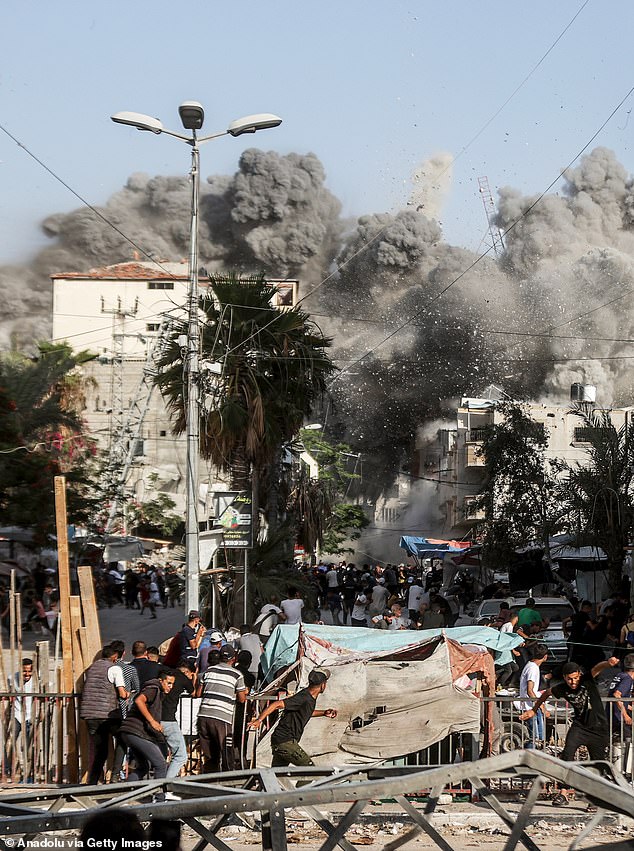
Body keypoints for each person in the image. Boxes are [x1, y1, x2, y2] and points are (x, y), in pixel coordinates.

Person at [520, 656, 621, 762]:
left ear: (579, 675)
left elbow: (596, 668)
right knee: (567, 755)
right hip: (580, 727)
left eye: (575, 678)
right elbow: (547, 693)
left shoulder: (586, 680)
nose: (573, 682)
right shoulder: (562, 688)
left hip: (598, 727)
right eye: (569, 679)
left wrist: (607, 664)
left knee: (599, 762)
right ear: (564, 677)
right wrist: (534, 710)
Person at [248, 669, 337, 767]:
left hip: (281, 740)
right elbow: (277, 704)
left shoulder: (308, 697)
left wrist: (324, 713)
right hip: (285, 741)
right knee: (309, 769)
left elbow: (306, 712)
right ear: (322, 685)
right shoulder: (304, 697)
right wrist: (259, 720)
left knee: (277, 774)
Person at [119, 669, 175, 798]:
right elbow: (139, 701)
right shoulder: (153, 688)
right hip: (135, 732)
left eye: (172, 684)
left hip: (129, 732)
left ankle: (123, 795)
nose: (170, 687)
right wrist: (153, 721)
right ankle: (160, 800)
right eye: (169, 683)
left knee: (143, 766)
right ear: (161, 681)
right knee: (160, 764)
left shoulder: (156, 691)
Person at [79, 644, 128, 785]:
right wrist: (127, 694)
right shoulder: (114, 669)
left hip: (89, 715)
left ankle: (92, 781)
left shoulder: (91, 668)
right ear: (114, 657)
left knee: (100, 751)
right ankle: (115, 775)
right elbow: (122, 693)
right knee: (123, 739)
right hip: (108, 715)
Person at [197, 645, 248, 772]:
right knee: (226, 753)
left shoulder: (209, 671)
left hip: (203, 716)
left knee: (210, 755)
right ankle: (228, 783)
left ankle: (209, 783)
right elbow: (242, 699)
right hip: (222, 718)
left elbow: (199, 693)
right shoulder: (237, 675)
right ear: (233, 658)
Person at [161, 658, 196, 779]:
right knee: (181, 755)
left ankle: (157, 787)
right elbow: (193, 693)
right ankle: (166, 785)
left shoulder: (164, 674)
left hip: (155, 718)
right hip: (168, 720)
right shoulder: (183, 678)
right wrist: (194, 678)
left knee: (159, 757)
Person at [517, 643, 549, 748]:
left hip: (533, 706)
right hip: (530, 707)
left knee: (539, 738)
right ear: (545, 656)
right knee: (534, 738)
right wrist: (540, 704)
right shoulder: (532, 668)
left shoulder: (531, 665)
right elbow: (530, 691)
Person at [607, 653, 634, 776]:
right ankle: (625, 773)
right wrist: (625, 715)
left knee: (619, 742)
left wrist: (630, 708)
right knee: (628, 741)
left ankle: (618, 772)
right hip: (618, 718)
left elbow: (620, 699)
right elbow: (617, 695)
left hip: (612, 715)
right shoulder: (628, 679)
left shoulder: (620, 675)